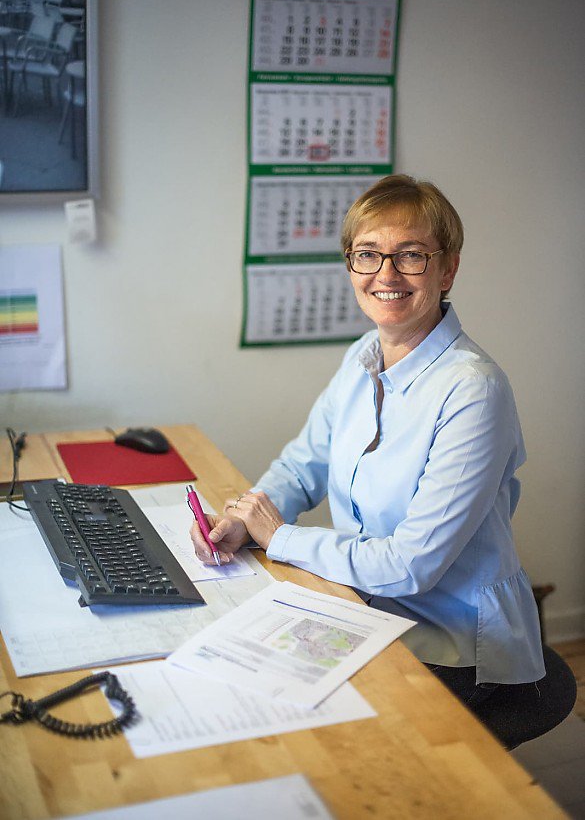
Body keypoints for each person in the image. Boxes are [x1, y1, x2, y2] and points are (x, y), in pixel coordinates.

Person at [191, 174, 545, 706]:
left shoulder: (475, 389)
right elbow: (303, 465)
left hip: (453, 645)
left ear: (448, 269)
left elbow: (410, 565)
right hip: (362, 608)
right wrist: (242, 518)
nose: (386, 274)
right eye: (367, 254)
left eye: (411, 255)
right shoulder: (363, 355)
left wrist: (278, 537)